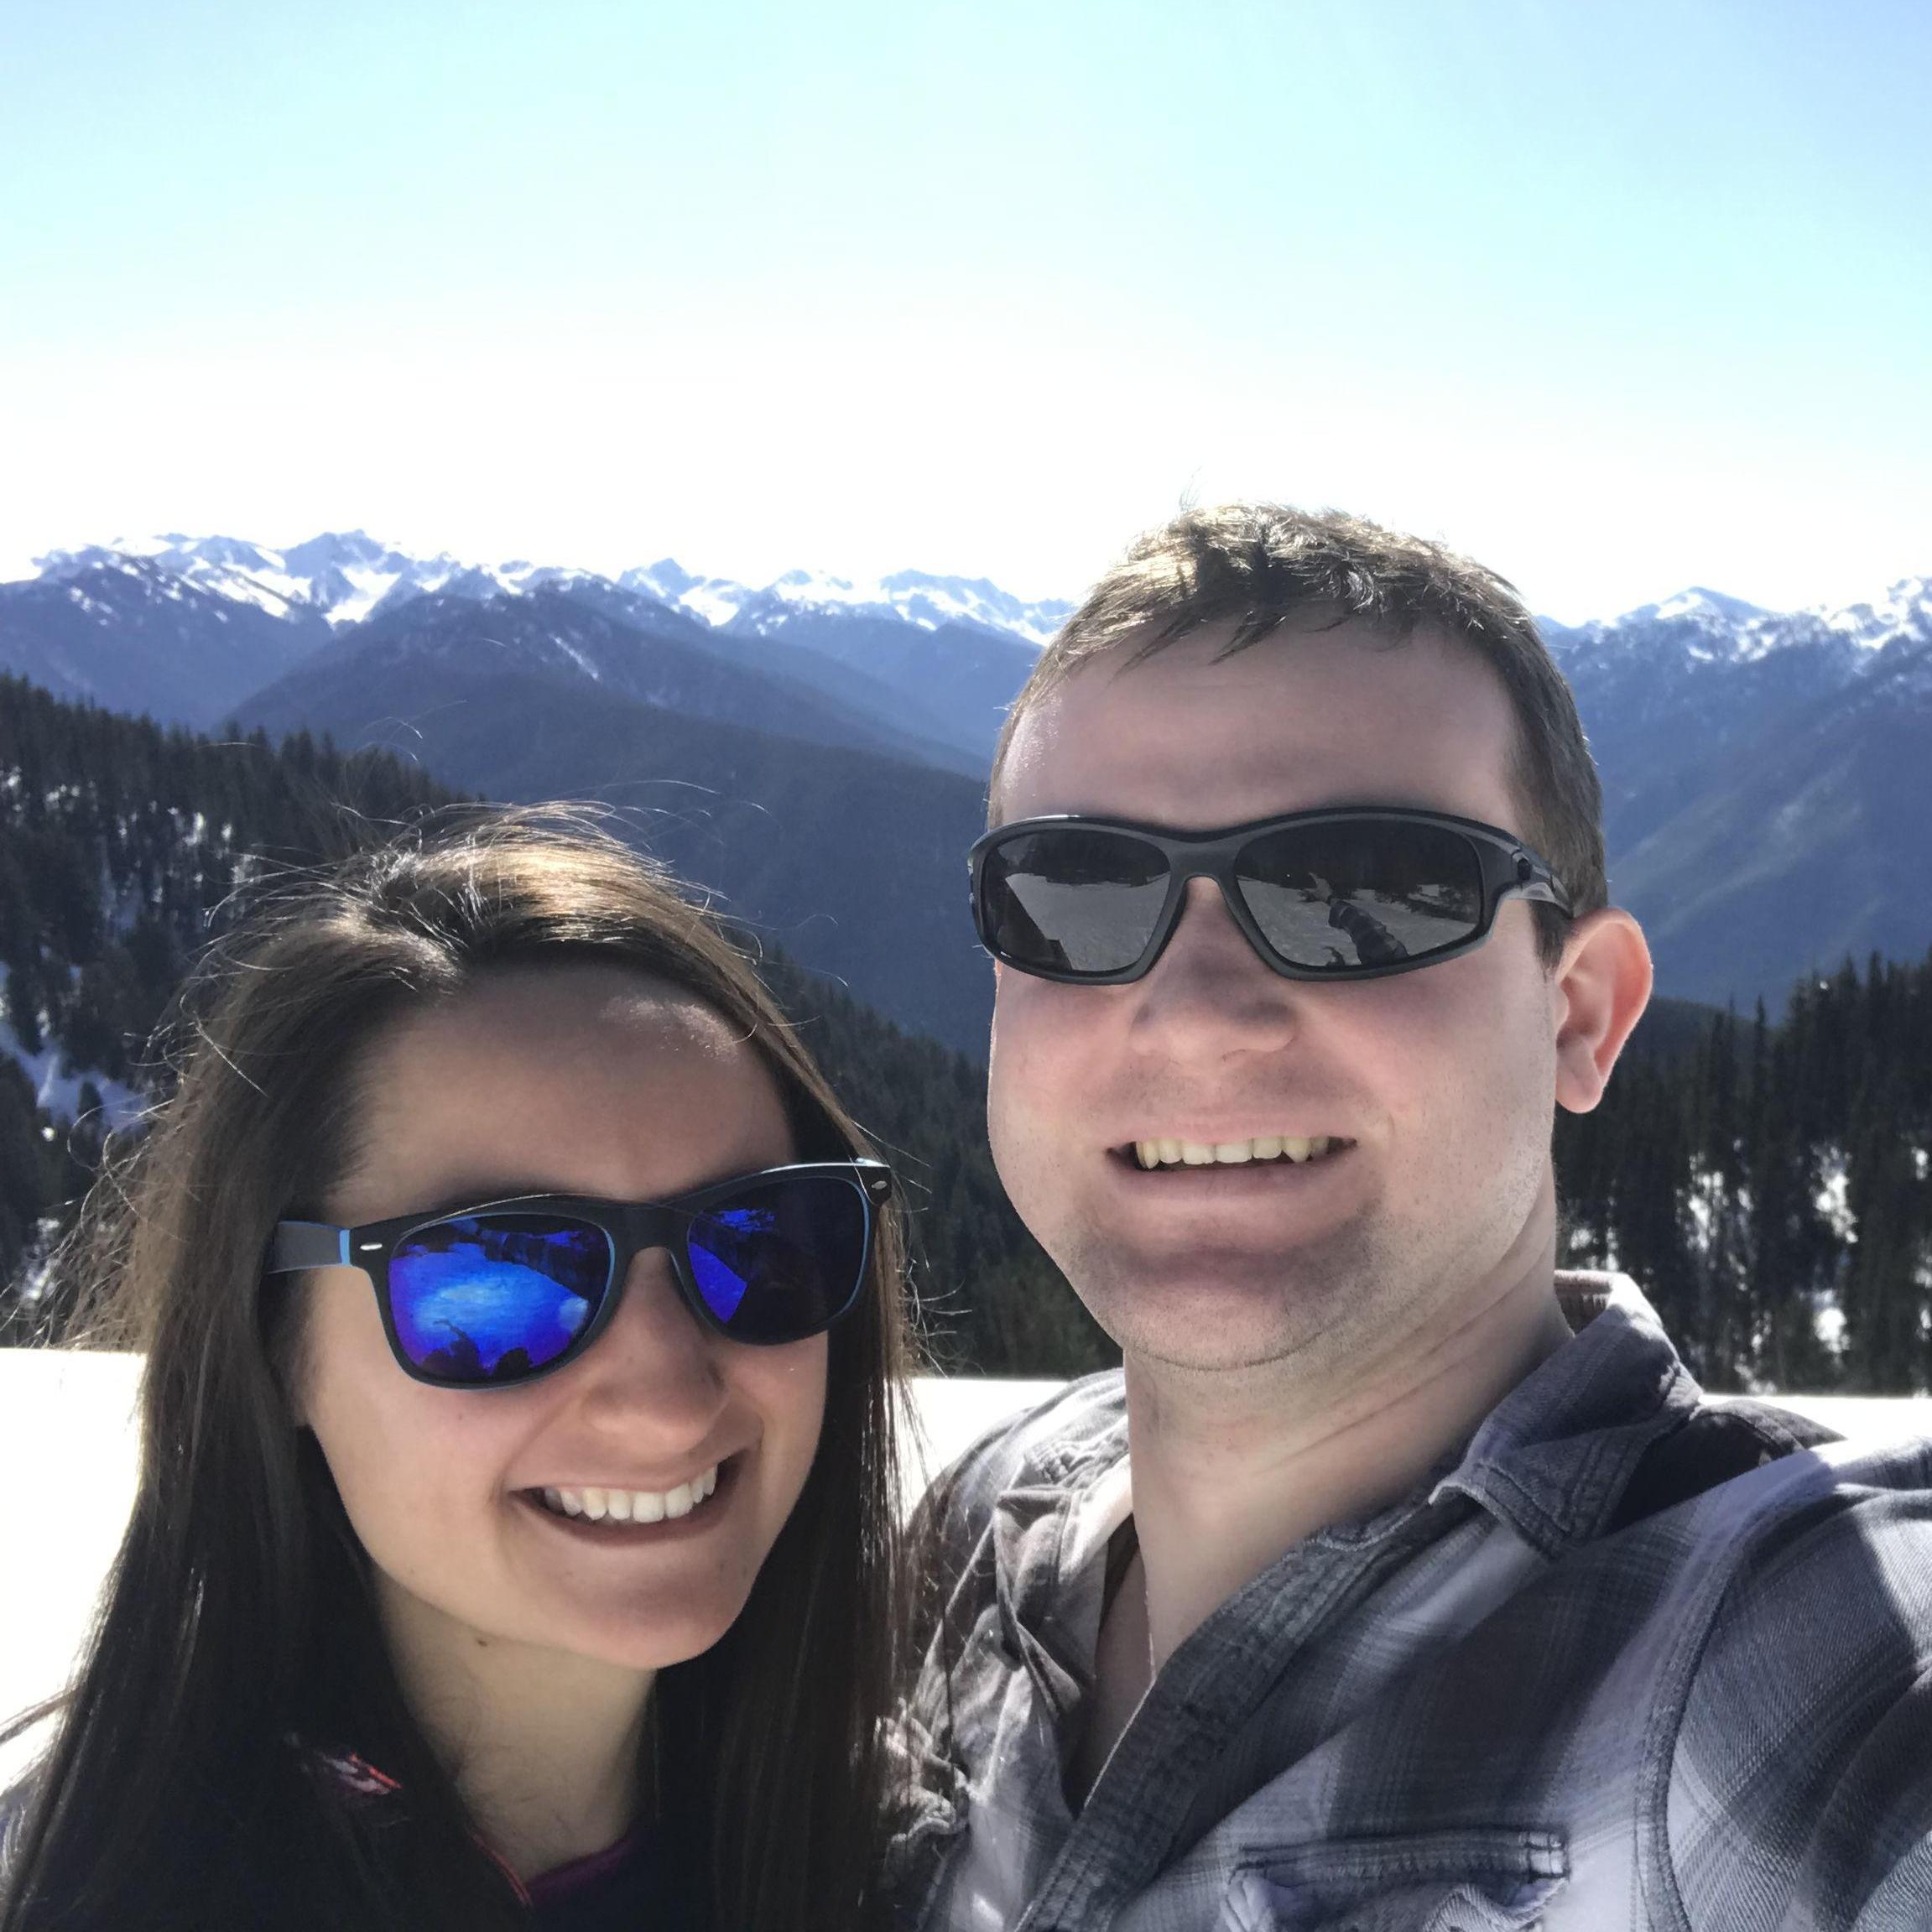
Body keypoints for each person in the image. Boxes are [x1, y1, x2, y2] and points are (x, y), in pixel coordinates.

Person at [892, 505, 1932, 1929]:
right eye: (1074, 898)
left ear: (1578, 1015)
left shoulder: (1786, 1654)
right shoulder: (974, 1535)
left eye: (1362, 896)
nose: (1194, 1014)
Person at [0, 808, 913, 1932]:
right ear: (272, 1346)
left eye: (761, 1245)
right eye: (495, 1287)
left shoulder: (911, 1859)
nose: (670, 1395)